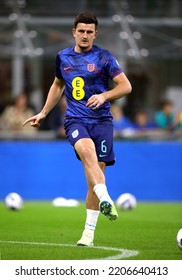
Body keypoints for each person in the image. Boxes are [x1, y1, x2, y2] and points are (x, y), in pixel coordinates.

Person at [23, 11, 132, 246]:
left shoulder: (104, 57)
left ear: (95, 34)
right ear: (74, 32)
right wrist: (43, 112)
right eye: (81, 31)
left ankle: (88, 234)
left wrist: (104, 96)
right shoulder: (62, 58)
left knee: (95, 173)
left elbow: (125, 86)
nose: (84, 35)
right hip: (75, 119)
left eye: (89, 32)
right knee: (87, 154)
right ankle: (105, 197)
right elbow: (57, 85)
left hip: (102, 121)